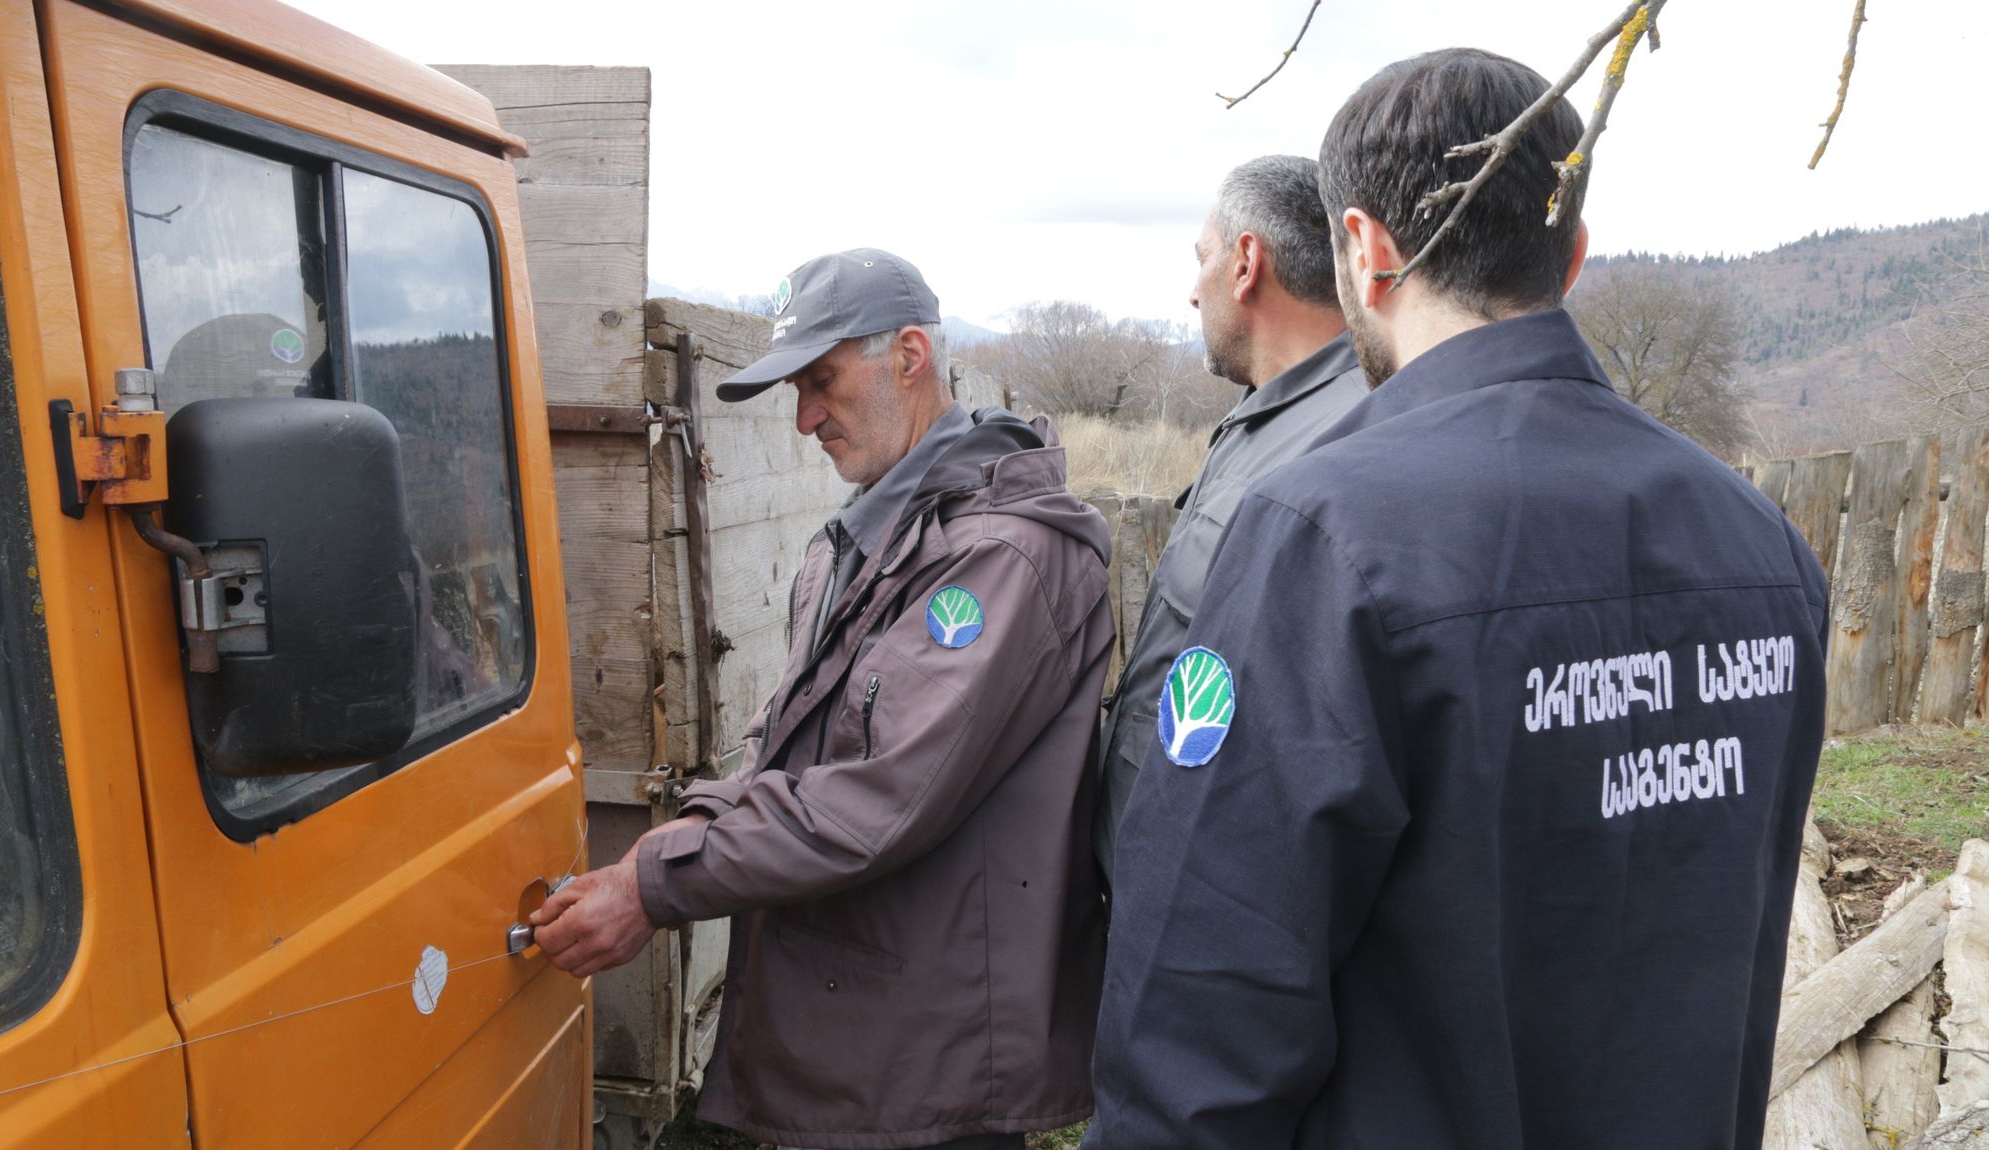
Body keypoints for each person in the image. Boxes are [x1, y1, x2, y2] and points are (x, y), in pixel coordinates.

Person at [1087, 49, 1828, 1149]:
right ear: (1567, 257)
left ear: (1363, 250)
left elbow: (1204, 990)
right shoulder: (1763, 542)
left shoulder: (1320, 535)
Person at [533, 249, 1115, 1150]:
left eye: (823, 382)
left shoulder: (999, 560)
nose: (806, 419)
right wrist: (679, 834)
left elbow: (875, 799)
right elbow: (788, 748)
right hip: (853, 1053)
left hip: (922, 1077)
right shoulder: (862, 539)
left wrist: (656, 883)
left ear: (911, 355)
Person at [1094, 155, 1365, 883]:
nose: (1192, 291)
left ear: (1246, 263)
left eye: (1202, 258)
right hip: (1162, 878)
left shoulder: (1345, 443)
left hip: (1223, 892)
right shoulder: (1266, 414)